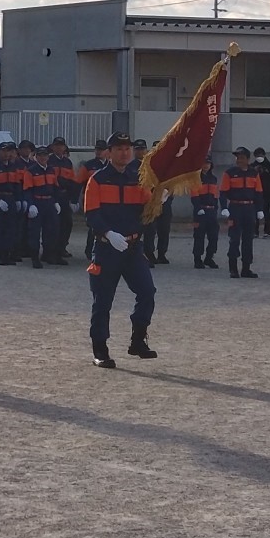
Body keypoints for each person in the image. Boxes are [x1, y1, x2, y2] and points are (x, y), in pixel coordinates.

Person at [82, 132, 157, 366]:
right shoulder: (97, 179)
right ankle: (100, 349)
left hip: (133, 248)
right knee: (103, 301)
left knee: (147, 292)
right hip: (107, 248)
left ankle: (138, 339)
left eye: (127, 148)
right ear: (109, 152)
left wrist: (159, 199)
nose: (124, 153)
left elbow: (147, 208)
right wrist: (108, 233)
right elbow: (91, 214)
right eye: (119, 149)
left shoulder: (138, 178)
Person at [222, 146, 263, 278]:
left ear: (248, 159)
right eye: (237, 158)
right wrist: (224, 207)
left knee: (248, 239)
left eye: (242, 158)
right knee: (234, 239)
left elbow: (258, 193)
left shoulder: (254, 173)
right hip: (235, 208)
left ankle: (246, 268)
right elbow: (223, 192)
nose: (239, 160)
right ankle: (233, 268)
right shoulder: (229, 173)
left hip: (249, 209)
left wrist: (260, 209)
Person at [190, 158, 221, 269]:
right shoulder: (196, 179)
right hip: (200, 211)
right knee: (199, 236)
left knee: (213, 236)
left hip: (211, 211)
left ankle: (209, 257)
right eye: (204, 163)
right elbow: (194, 195)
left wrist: (216, 208)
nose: (206, 166)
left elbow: (216, 195)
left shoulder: (213, 179)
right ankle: (197, 259)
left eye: (208, 163)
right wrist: (198, 208)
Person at [251, 148, 270, 237]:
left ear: (264, 155)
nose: (259, 157)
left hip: (266, 191)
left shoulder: (269, 166)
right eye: (257, 156)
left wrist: (265, 172)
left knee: (266, 211)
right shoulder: (252, 166)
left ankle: (267, 231)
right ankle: (254, 231)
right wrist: (255, 171)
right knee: (254, 212)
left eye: (260, 155)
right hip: (254, 191)